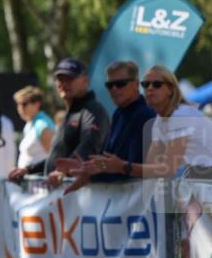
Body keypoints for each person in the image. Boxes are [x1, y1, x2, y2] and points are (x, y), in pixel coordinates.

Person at [82, 65, 212, 179]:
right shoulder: (159, 120)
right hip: (198, 181)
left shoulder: (181, 115)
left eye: (157, 84)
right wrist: (103, 169)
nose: (150, 88)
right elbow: (150, 166)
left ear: (171, 89)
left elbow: (167, 169)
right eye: (145, 84)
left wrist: (122, 167)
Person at [7, 58, 110, 190]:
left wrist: (63, 171)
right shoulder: (72, 113)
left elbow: (89, 148)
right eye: (60, 79)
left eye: (70, 79)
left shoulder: (93, 110)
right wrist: (28, 170)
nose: (64, 83)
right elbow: (57, 158)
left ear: (85, 80)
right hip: (61, 194)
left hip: (80, 195)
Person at [57, 60, 157, 192]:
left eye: (120, 84)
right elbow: (109, 162)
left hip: (139, 198)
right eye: (109, 85)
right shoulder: (118, 114)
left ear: (136, 84)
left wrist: (97, 173)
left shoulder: (146, 115)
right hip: (118, 197)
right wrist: (87, 169)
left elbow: (141, 169)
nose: (114, 89)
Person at [13, 86, 55, 169]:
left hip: (40, 176)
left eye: (24, 104)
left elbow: (52, 157)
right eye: (18, 104)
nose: (20, 108)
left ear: (37, 104)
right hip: (29, 176)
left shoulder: (43, 125)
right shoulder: (30, 124)